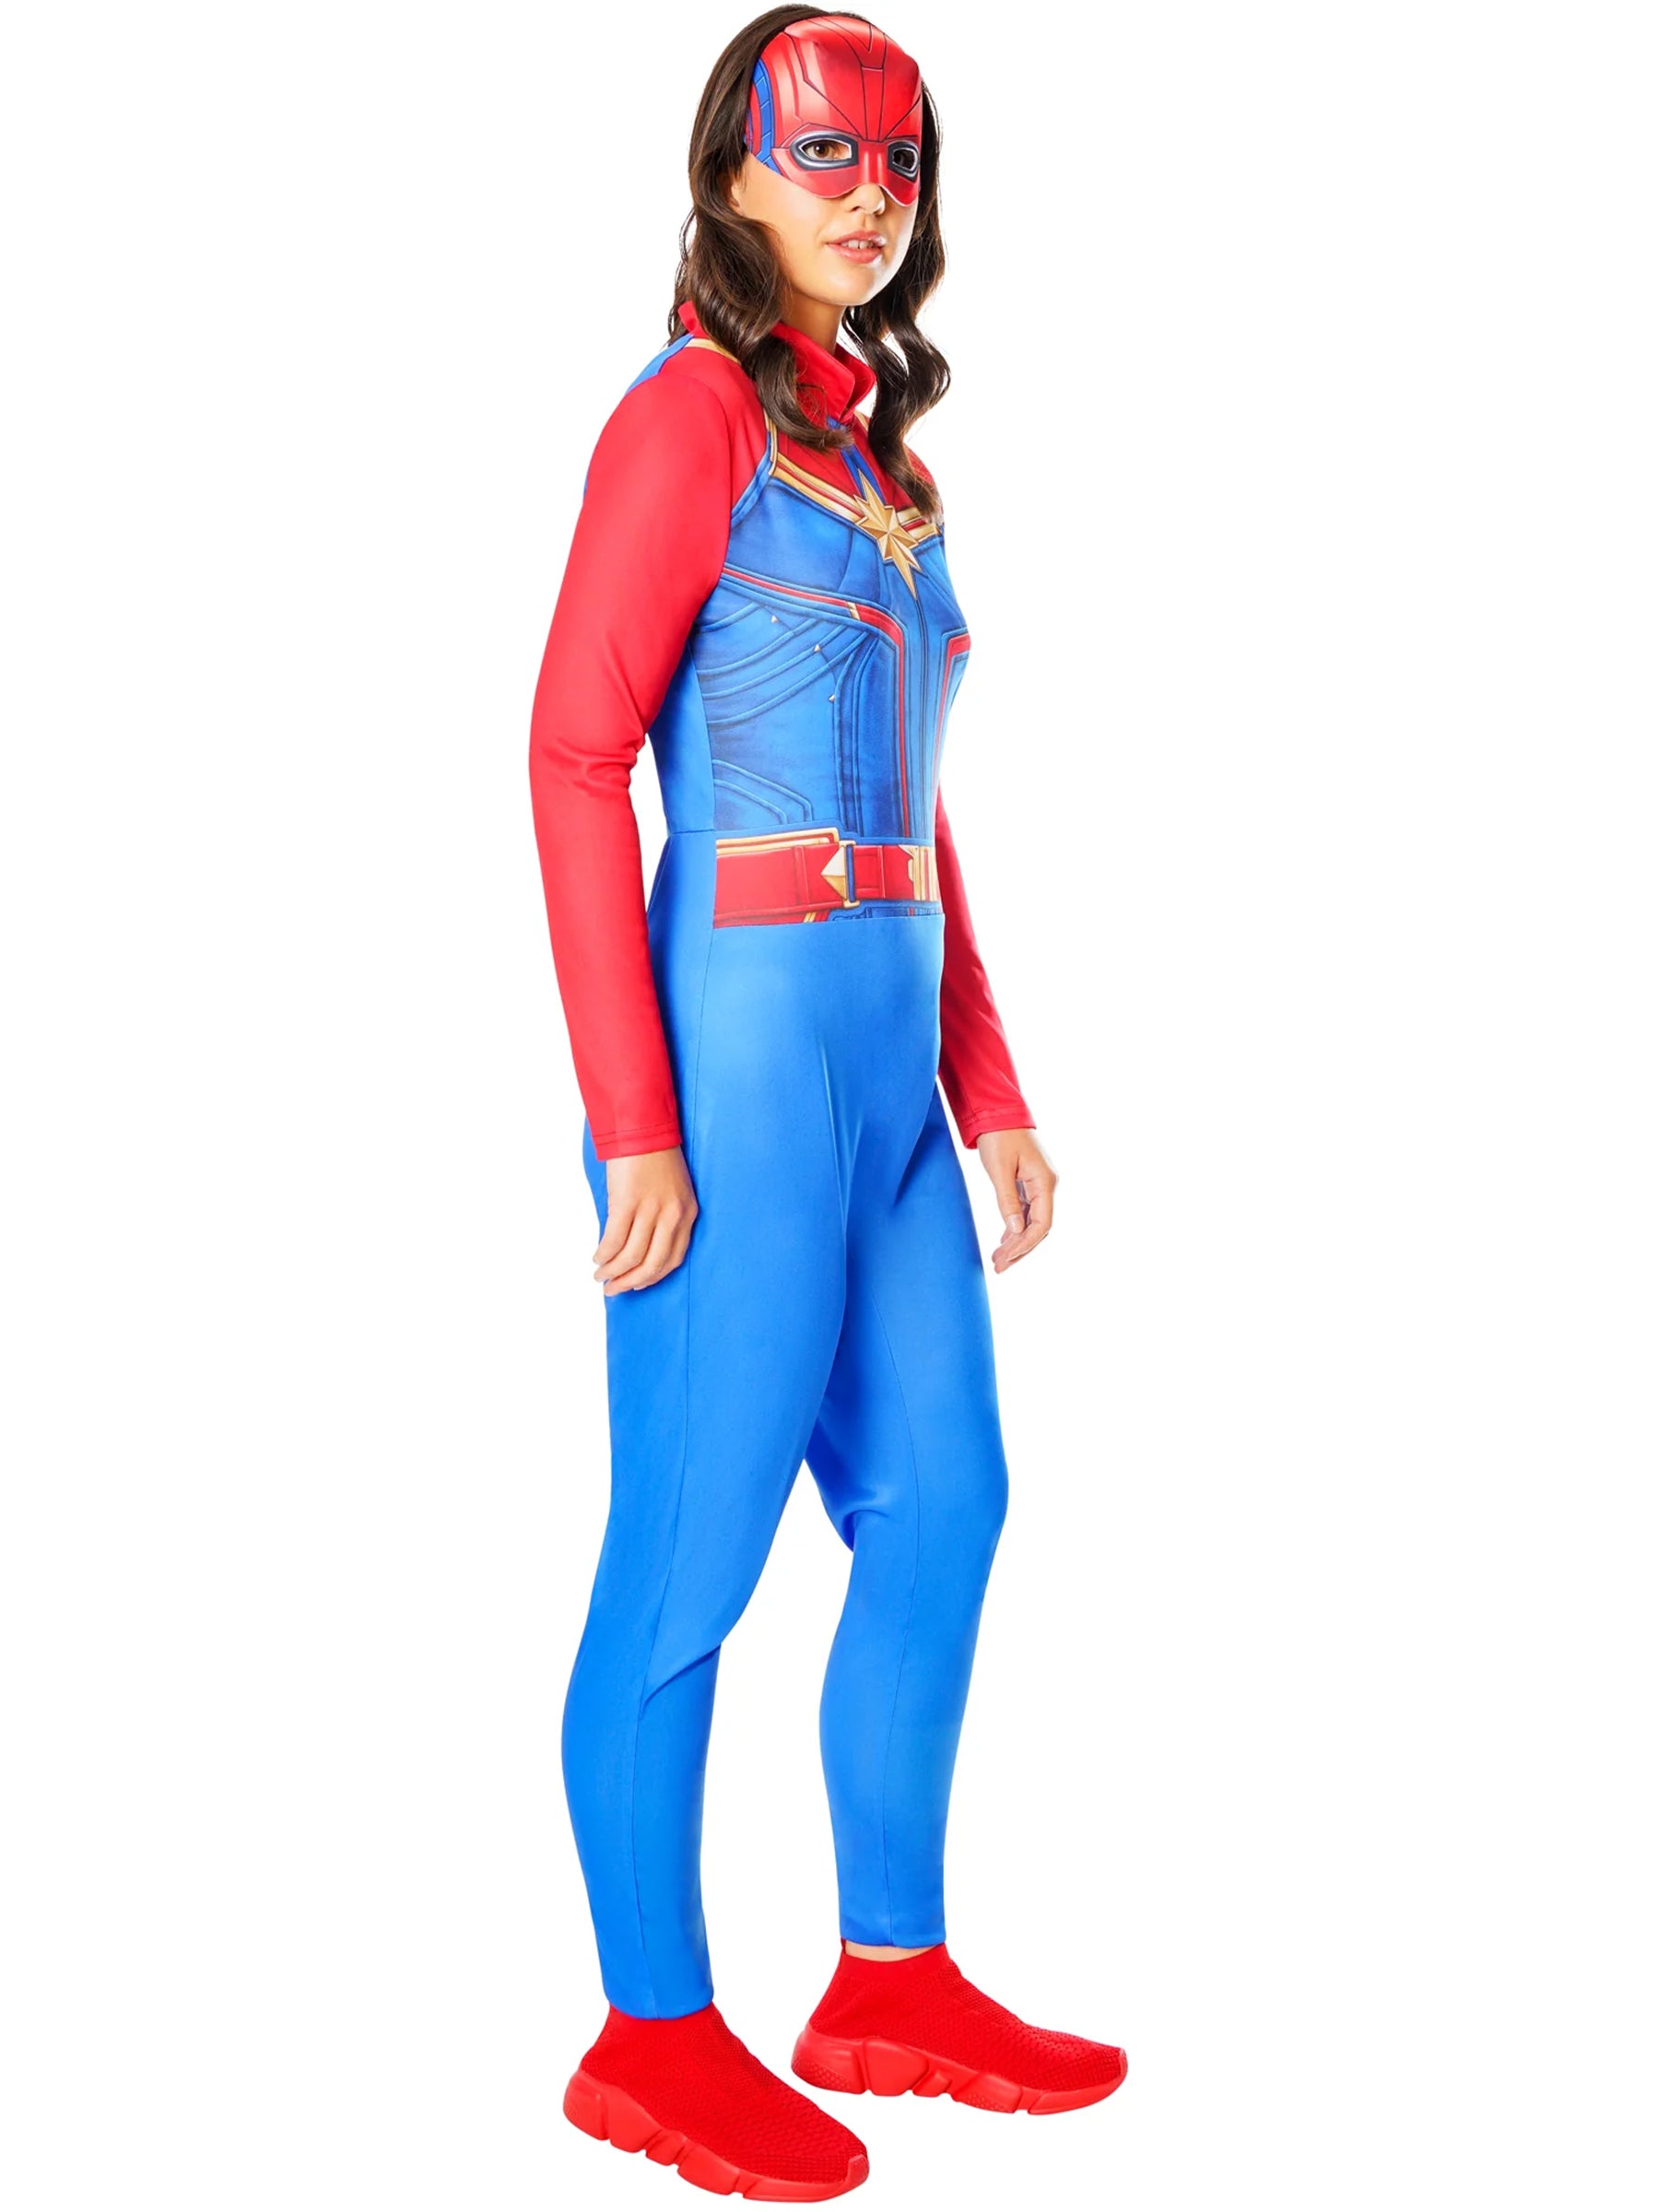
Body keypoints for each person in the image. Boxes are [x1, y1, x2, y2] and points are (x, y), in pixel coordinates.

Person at [527, 11, 1125, 2197]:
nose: (870, 190)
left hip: (885, 1068)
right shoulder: (685, 417)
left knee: (945, 1507)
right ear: (733, 175)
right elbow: (571, 758)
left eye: (900, 157)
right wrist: (634, 1119)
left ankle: (887, 1979)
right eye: (824, 152)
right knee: (688, 1556)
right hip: (735, 1058)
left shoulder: (886, 467)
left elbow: (918, 809)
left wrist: (990, 1085)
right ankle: (648, 2037)